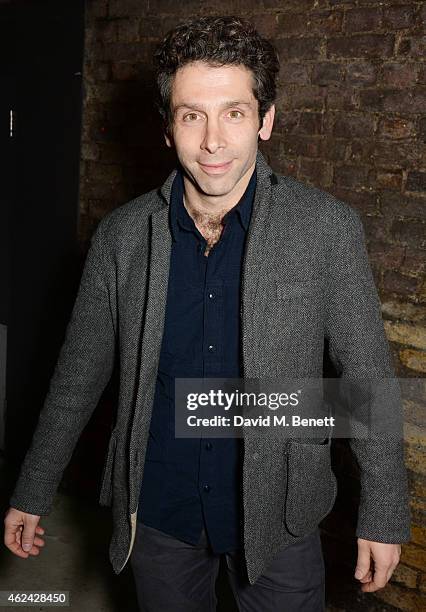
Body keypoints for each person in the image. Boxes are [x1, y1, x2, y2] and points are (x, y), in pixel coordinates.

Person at [4, 15, 410, 612]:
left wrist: (383, 510)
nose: (213, 141)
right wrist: (33, 487)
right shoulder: (121, 238)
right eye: (192, 115)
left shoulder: (326, 229)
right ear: (168, 127)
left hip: (282, 518)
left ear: (266, 120)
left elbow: (365, 377)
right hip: (159, 511)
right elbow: (79, 374)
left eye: (235, 113)